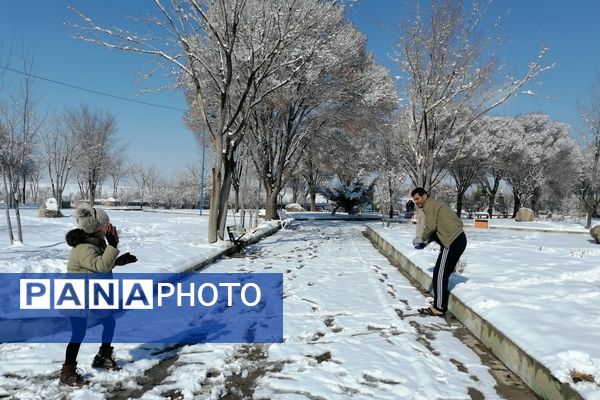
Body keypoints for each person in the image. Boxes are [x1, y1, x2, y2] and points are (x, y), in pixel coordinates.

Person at [59, 206, 137, 387]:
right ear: (95, 227)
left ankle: (103, 357)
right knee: (78, 333)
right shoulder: (84, 248)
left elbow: (100, 265)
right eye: (105, 226)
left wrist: (118, 260)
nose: (108, 230)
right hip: (78, 298)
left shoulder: (95, 244)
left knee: (109, 322)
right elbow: (100, 266)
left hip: (92, 296)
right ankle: (67, 373)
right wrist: (113, 246)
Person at [410, 187, 467, 317]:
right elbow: (436, 228)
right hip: (455, 239)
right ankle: (439, 305)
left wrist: (422, 240)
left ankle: (439, 308)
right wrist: (426, 241)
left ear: (425, 196)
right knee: (440, 272)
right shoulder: (433, 205)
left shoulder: (430, 206)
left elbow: (430, 227)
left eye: (417, 198)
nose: (416, 202)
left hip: (453, 241)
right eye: (414, 200)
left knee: (440, 274)